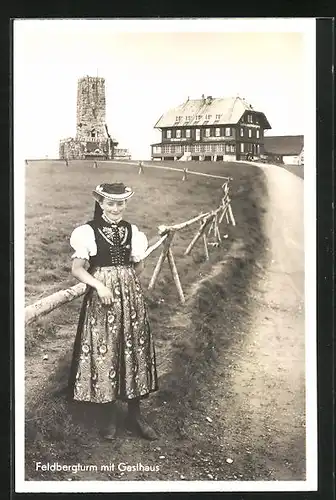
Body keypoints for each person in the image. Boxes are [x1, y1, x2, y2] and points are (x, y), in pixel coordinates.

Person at [68, 182, 159, 441]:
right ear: (101, 203)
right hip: (103, 299)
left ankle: (135, 414)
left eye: (120, 203)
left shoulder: (133, 231)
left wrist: (125, 280)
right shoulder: (88, 231)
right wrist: (100, 285)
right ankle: (108, 416)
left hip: (130, 299)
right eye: (110, 203)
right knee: (105, 349)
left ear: (125, 205)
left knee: (134, 349)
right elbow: (77, 269)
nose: (115, 208)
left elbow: (138, 267)